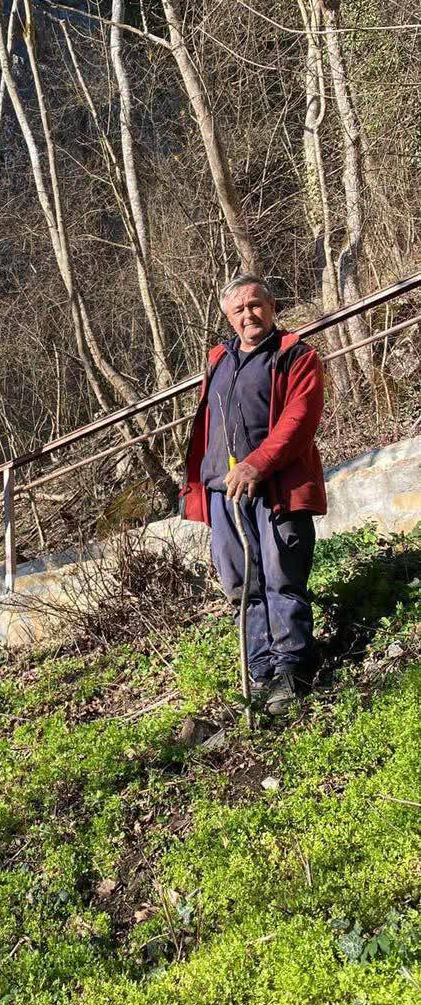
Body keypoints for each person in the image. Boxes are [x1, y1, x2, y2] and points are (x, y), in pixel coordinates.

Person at [182, 274, 326, 715]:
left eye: (256, 305)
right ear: (228, 316)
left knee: (282, 575)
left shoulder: (295, 356)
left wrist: (257, 464)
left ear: (272, 306)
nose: (249, 314)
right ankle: (260, 674)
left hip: (275, 489)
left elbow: (299, 418)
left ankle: (293, 670)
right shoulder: (219, 360)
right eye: (239, 309)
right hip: (224, 494)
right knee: (241, 584)